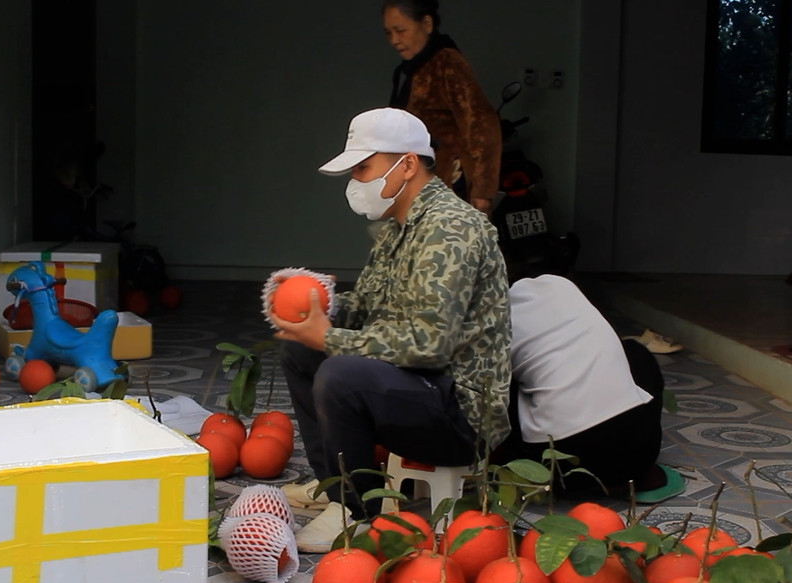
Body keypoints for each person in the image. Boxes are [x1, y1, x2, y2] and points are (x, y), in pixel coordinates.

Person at [272, 108, 511, 552]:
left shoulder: (450, 228)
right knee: (302, 353)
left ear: (407, 164)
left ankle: (355, 510)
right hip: (418, 385)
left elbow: (430, 344)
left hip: (459, 414)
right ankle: (335, 484)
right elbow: (364, 308)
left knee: (339, 371)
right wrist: (316, 302)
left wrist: (330, 337)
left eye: (363, 167)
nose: (356, 181)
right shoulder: (398, 229)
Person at [498, 254, 685, 503]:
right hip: (639, 455)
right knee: (635, 352)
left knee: (502, 381)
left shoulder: (493, 314)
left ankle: (511, 465)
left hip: (556, 465)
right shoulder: (563, 287)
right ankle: (640, 474)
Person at [383, 0, 501, 214]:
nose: (394, 40)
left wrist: (482, 191)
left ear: (427, 24)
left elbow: (481, 124)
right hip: (420, 187)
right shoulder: (412, 70)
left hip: (448, 185)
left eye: (400, 30)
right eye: (388, 33)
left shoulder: (446, 62)